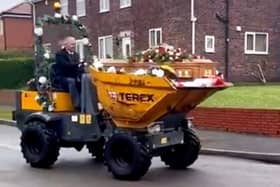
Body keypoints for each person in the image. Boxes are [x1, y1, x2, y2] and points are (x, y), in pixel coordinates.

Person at [55, 36, 83, 110]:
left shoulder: (76, 54)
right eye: (72, 44)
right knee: (72, 81)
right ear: (66, 44)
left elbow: (78, 66)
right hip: (63, 77)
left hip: (74, 76)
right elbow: (64, 65)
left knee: (84, 79)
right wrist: (77, 65)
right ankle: (77, 105)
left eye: (74, 44)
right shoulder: (60, 54)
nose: (74, 46)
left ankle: (86, 102)